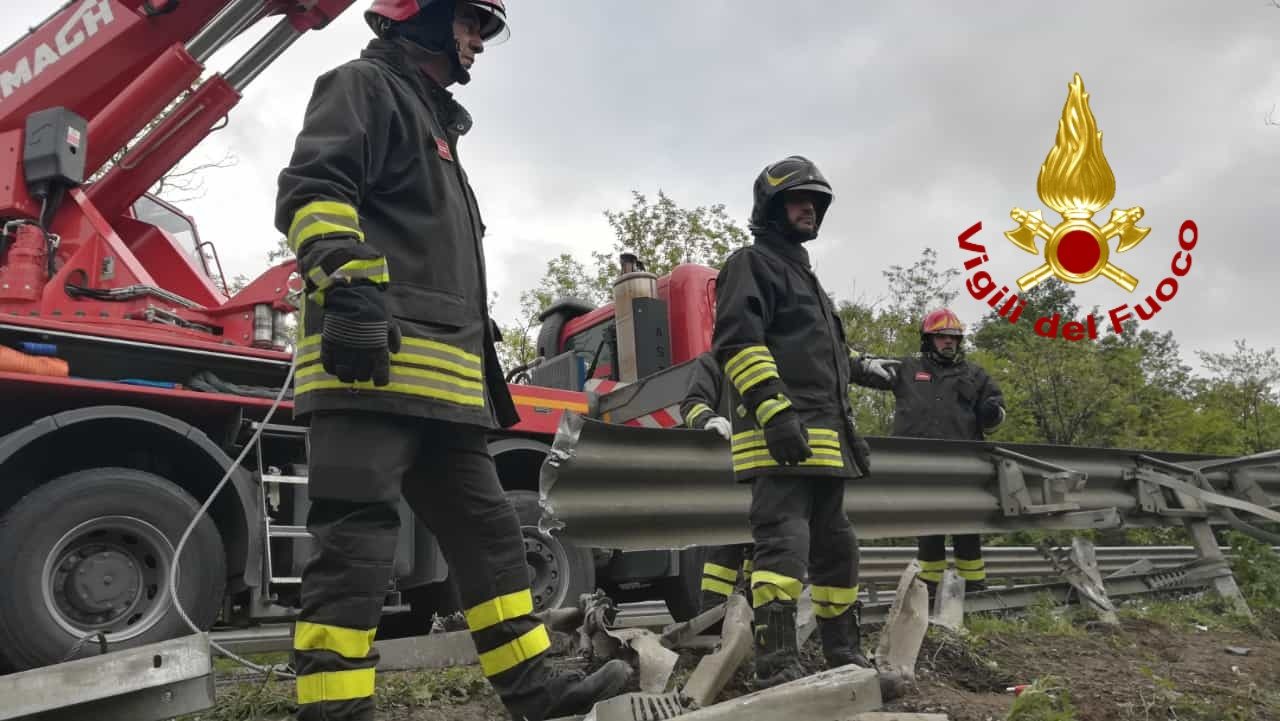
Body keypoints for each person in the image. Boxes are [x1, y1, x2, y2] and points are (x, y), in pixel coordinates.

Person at [274, 2, 630, 719]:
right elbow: (312, 192)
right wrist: (348, 290)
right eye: (469, 22)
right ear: (422, 16)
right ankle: (334, 711)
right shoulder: (362, 86)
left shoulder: (433, 124)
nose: (477, 42)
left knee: (495, 537)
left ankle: (535, 691)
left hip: (441, 388)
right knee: (356, 544)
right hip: (369, 370)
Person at [710, 155, 872, 689]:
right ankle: (777, 663)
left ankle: (843, 652)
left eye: (815, 203)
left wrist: (851, 435)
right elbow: (737, 343)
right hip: (778, 439)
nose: (810, 210)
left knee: (837, 549)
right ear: (771, 207)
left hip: (825, 443)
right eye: (799, 200)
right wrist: (775, 412)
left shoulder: (806, 279)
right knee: (784, 546)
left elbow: (827, 367)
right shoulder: (751, 264)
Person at [849, 308, 1006, 595]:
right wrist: (841, 361)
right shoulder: (907, 369)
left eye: (954, 338)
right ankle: (928, 591)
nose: (948, 342)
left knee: (968, 532)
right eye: (942, 336)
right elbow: (866, 373)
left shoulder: (975, 376)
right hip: (918, 470)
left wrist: (991, 413)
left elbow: (996, 418)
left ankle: (975, 591)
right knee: (929, 532)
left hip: (963, 469)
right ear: (928, 339)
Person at [679, 352, 754, 614]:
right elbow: (692, 403)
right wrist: (707, 420)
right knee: (724, 550)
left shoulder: (779, 357)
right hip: (730, 479)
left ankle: (761, 620)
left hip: (768, 476)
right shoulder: (714, 362)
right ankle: (713, 618)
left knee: (767, 552)